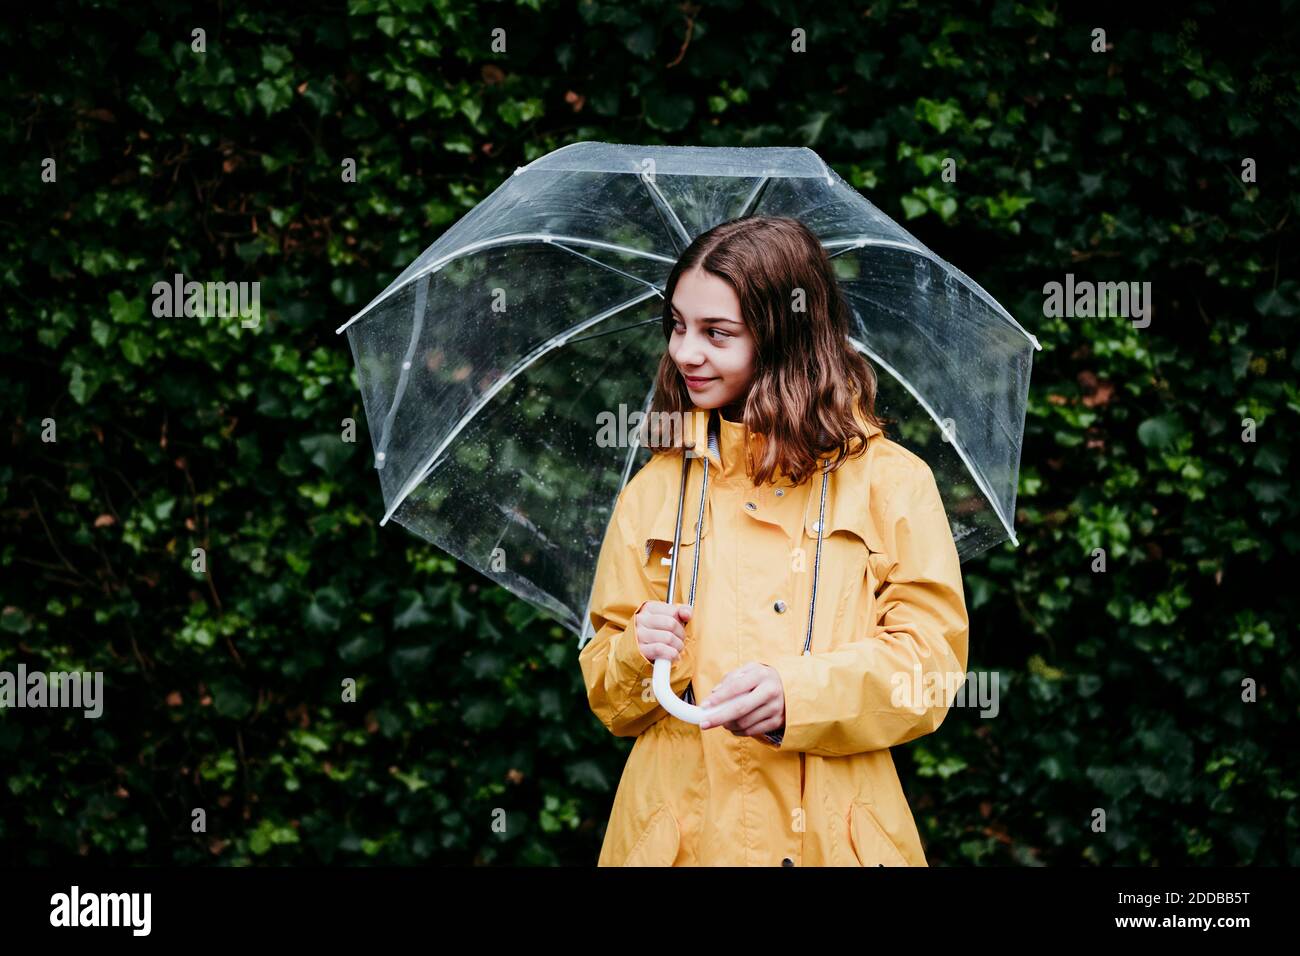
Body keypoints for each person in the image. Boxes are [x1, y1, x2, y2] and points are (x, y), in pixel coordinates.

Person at [578, 215, 970, 866]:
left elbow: (928, 671)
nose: (684, 352)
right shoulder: (656, 488)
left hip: (832, 841)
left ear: (785, 334)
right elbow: (610, 698)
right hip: (678, 841)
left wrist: (799, 694)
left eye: (716, 333)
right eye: (677, 325)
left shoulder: (890, 483)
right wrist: (634, 652)